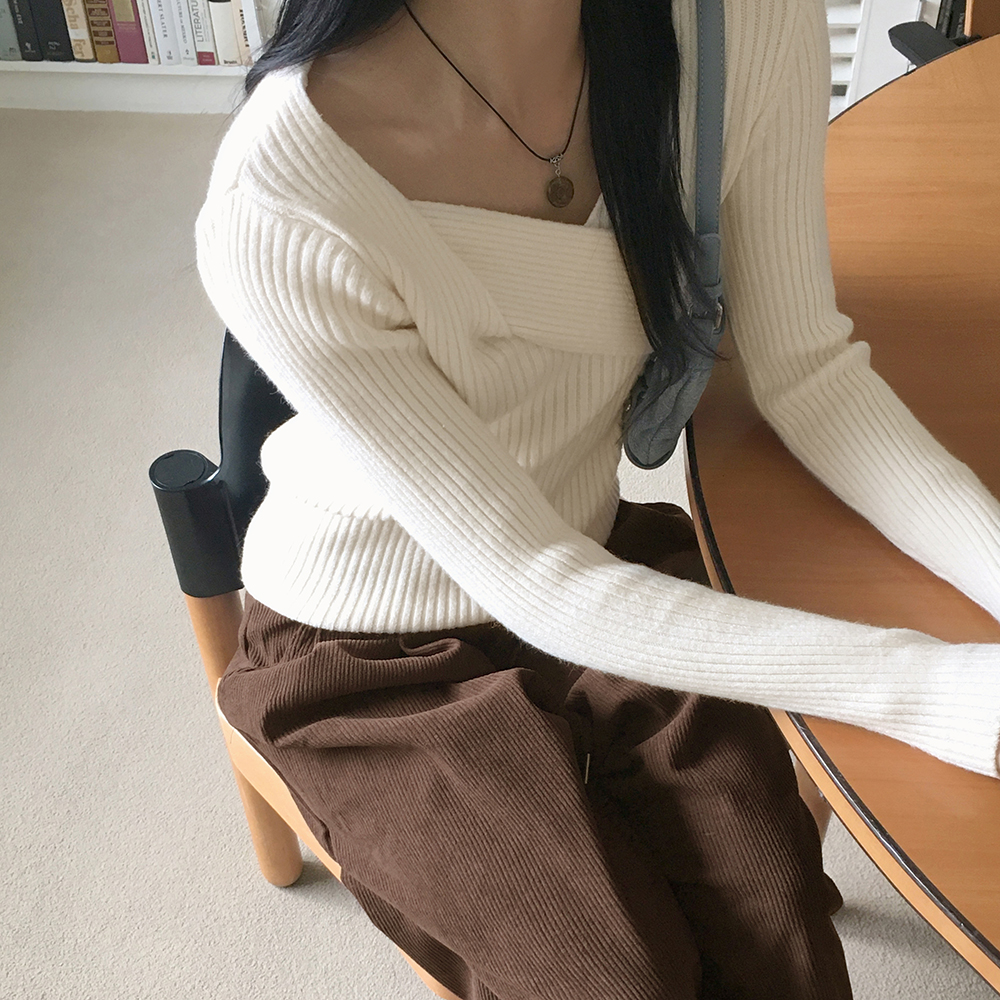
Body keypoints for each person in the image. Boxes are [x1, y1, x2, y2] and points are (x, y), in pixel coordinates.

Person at [194, 1, 1000, 997]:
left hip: (596, 558)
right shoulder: (279, 202)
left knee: (775, 933)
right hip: (362, 648)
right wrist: (935, 688)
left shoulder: (745, 26)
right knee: (617, 978)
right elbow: (533, 575)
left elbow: (809, 372)